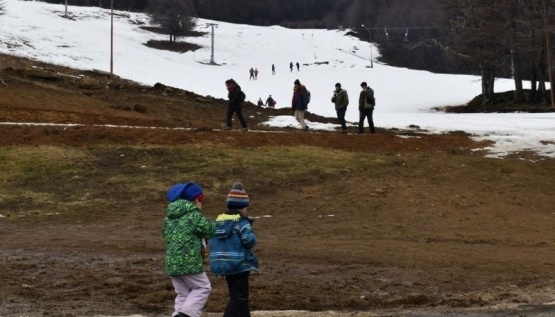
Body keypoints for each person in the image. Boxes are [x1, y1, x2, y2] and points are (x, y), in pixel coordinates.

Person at [163, 182, 216, 317]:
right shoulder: (193, 215)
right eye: (201, 199)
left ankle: (178, 314)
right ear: (195, 200)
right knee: (203, 288)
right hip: (189, 262)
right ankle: (185, 315)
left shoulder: (168, 218)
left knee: (183, 293)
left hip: (172, 263)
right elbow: (209, 230)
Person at [210, 182, 259, 317]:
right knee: (239, 298)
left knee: (237, 296)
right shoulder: (242, 223)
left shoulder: (219, 221)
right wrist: (249, 226)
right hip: (239, 265)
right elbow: (249, 242)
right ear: (244, 207)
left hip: (224, 265)